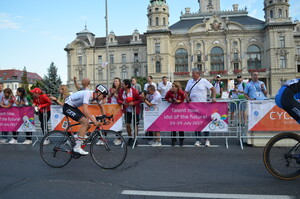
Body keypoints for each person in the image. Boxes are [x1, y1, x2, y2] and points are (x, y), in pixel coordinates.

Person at [63, 84, 108, 155]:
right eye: (104, 96)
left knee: (88, 125)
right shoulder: (88, 94)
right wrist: (94, 121)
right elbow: (85, 110)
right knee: (85, 123)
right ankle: (77, 148)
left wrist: (104, 118)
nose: (104, 98)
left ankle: (74, 138)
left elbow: (102, 108)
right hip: (67, 107)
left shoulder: (97, 98)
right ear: (99, 93)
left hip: (74, 107)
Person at [185, 68, 216, 147]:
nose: (192, 75)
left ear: (198, 74)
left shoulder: (204, 81)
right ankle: (198, 140)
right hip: (193, 106)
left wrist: (213, 98)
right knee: (196, 123)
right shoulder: (189, 81)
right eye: (192, 73)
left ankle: (207, 140)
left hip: (203, 105)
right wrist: (187, 98)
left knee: (205, 122)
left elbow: (213, 89)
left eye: (194, 73)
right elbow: (186, 92)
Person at [117, 79, 142, 146]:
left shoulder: (134, 91)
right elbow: (118, 99)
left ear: (126, 85)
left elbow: (140, 99)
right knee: (127, 124)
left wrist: (133, 103)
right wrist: (123, 102)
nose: (121, 85)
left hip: (135, 110)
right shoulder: (121, 91)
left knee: (135, 125)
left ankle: (135, 138)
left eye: (122, 84)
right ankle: (130, 137)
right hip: (127, 110)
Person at [165, 81, 185, 146]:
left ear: (177, 87)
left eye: (173, 86)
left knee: (180, 126)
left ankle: (181, 140)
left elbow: (183, 99)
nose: (172, 88)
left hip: (180, 111)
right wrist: (169, 100)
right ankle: (173, 140)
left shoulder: (181, 92)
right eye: (172, 86)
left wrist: (178, 101)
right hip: (172, 110)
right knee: (173, 126)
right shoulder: (170, 92)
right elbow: (166, 97)